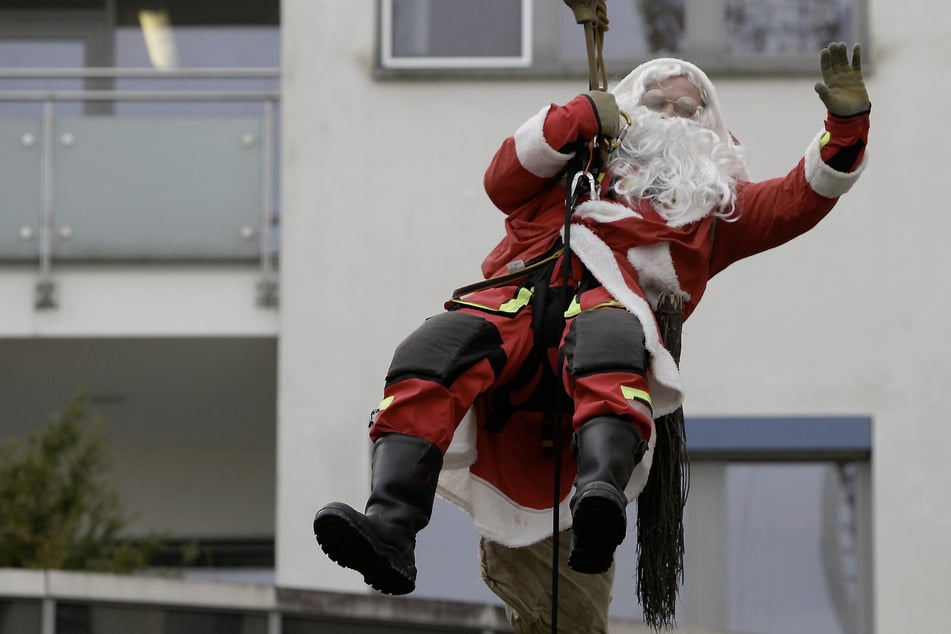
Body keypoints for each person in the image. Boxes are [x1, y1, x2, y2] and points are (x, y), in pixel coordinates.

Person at [313, 42, 870, 631]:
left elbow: (800, 197)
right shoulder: (573, 165)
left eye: (688, 108)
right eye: (659, 103)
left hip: (609, 313)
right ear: (629, 108)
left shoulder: (714, 209)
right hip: (520, 299)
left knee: (610, 343)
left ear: (710, 127)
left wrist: (847, 124)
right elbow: (502, 179)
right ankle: (391, 527)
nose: (673, 115)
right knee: (433, 350)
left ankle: (599, 499)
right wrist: (579, 114)